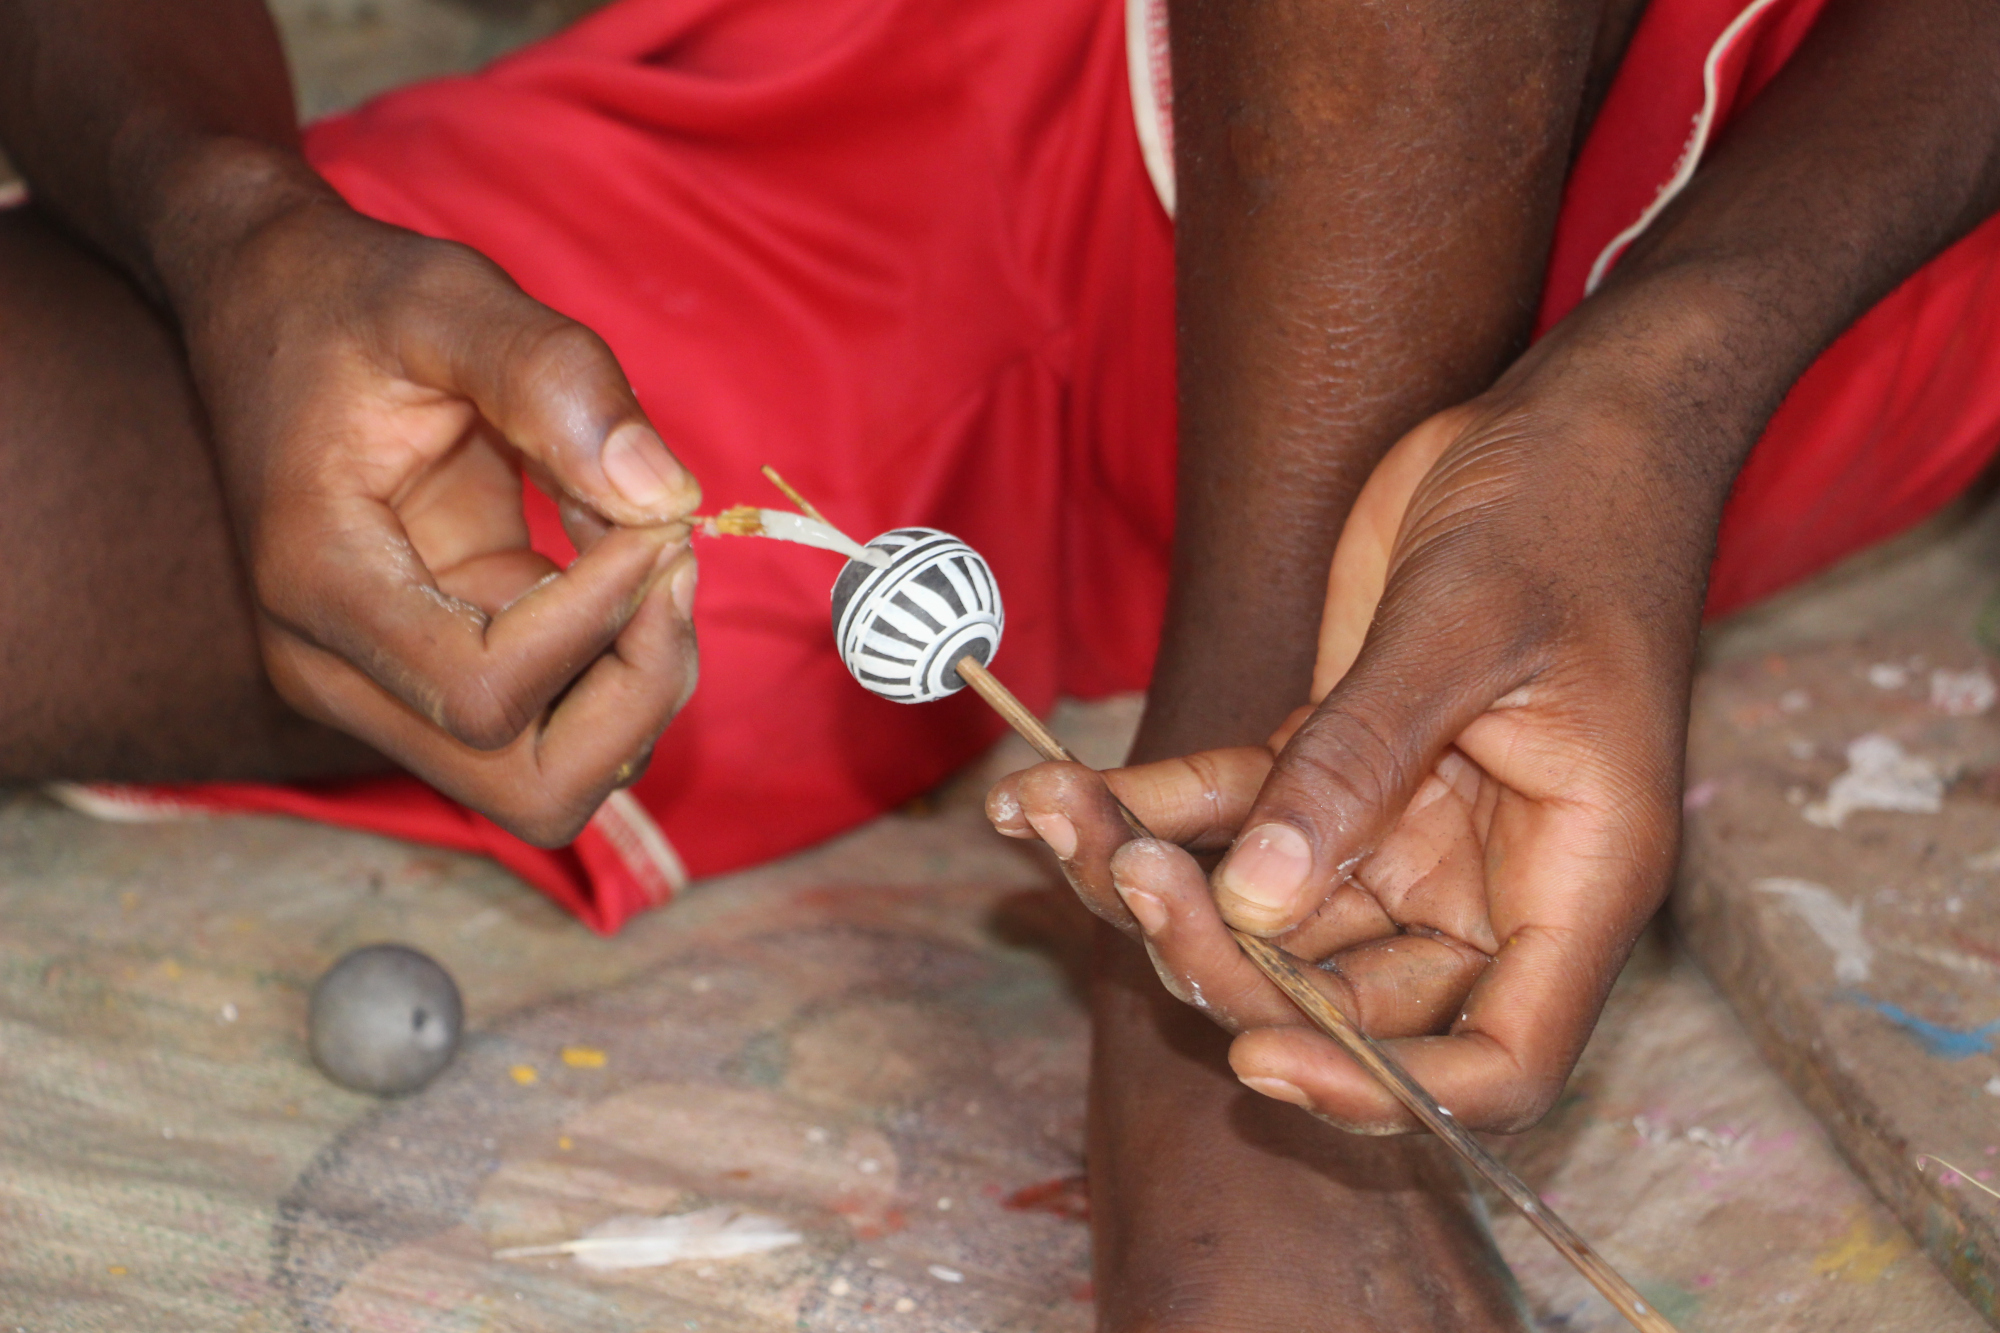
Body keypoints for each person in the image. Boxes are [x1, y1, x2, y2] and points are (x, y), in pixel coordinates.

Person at [4, 0, 1999, 1325]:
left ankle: (1225, 901)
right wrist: (226, 220)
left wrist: (1672, 378)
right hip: (1010, 121)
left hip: (1818, 219)